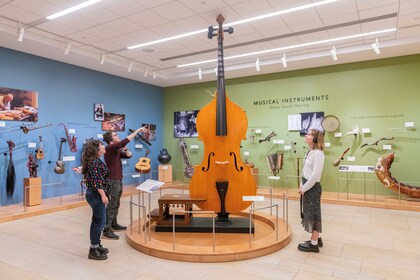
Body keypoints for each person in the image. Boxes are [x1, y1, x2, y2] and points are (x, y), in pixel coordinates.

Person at [102, 126, 148, 239]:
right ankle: (106, 230)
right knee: (112, 205)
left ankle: (114, 224)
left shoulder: (116, 150)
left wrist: (126, 149)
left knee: (116, 204)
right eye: (115, 135)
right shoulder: (110, 148)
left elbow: (129, 155)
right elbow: (125, 140)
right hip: (112, 180)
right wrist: (137, 131)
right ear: (110, 139)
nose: (117, 136)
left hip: (118, 179)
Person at [298, 128, 325, 253]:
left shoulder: (318, 153)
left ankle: (314, 244)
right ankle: (316, 238)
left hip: (312, 188)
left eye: (309, 134)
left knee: (313, 215)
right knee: (310, 213)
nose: (306, 135)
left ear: (315, 138)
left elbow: (315, 175)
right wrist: (301, 184)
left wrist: (304, 188)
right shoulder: (310, 152)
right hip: (307, 186)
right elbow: (305, 171)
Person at [82, 139, 110, 260]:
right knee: (100, 222)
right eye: (101, 145)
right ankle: (93, 250)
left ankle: (96, 245)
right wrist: (103, 195)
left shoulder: (95, 161)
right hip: (96, 195)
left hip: (95, 194)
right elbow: (97, 181)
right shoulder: (94, 162)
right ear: (97, 149)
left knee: (97, 220)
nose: (104, 146)